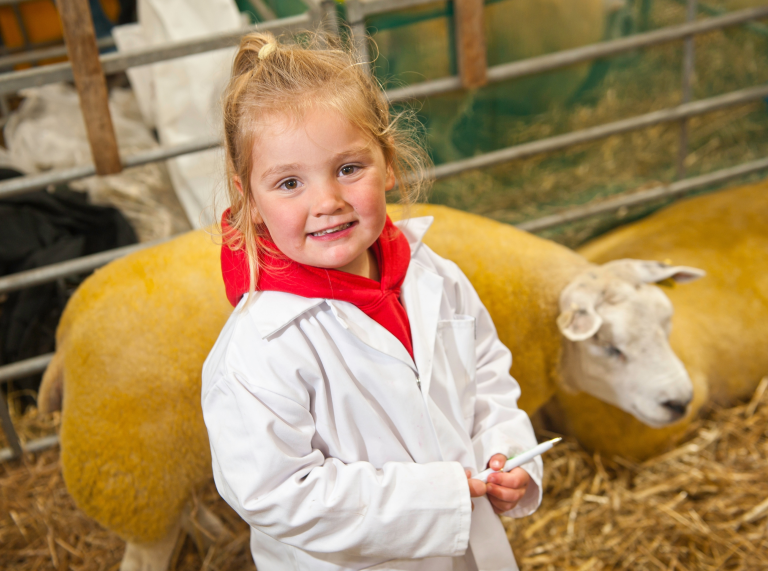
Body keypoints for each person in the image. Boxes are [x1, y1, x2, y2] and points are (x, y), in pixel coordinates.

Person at [202, 30, 543, 571]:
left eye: (347, 168)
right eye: (289, 182)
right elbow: (279, 494)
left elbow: (487, 376)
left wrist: (508, 454)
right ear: (250, 200)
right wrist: (439, 499)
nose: (328, 202)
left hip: (469, 544)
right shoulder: (258, 351)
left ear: (388, 163)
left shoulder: (433, 276)